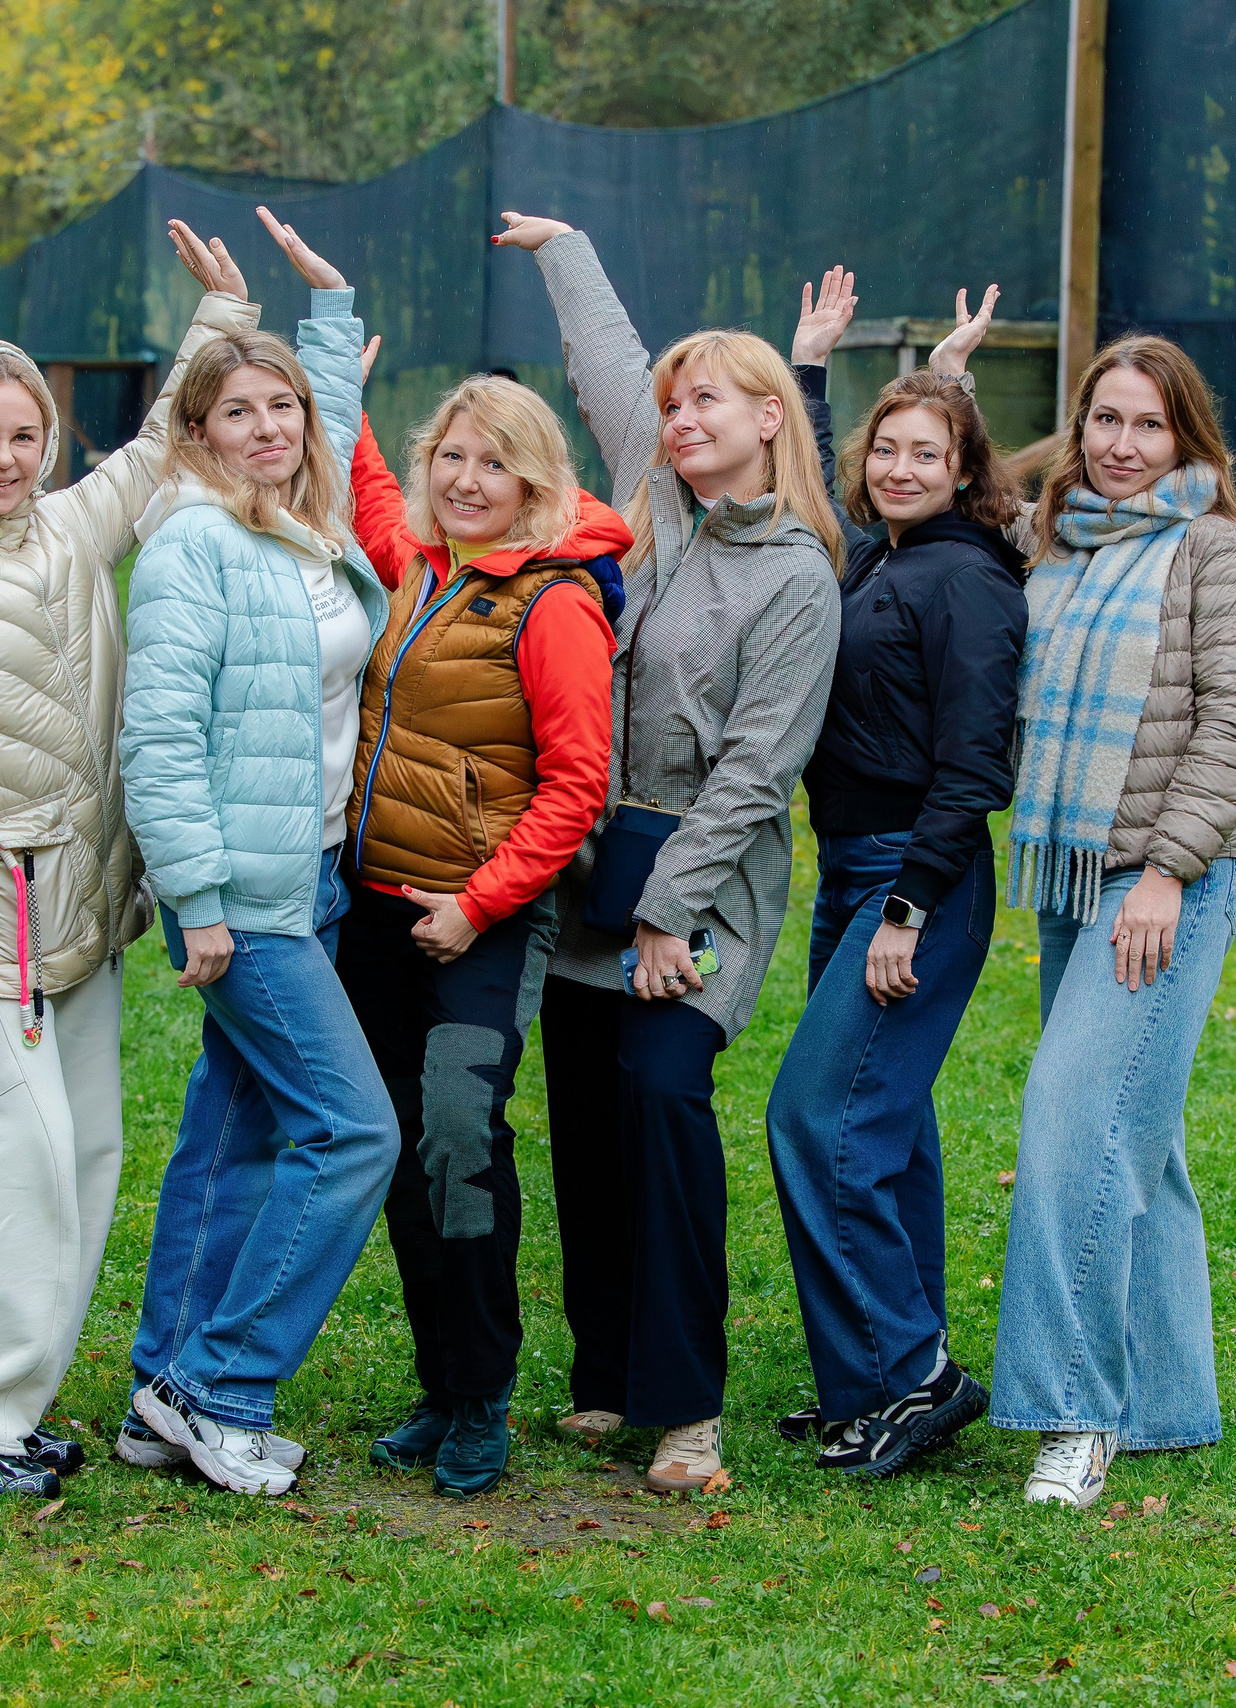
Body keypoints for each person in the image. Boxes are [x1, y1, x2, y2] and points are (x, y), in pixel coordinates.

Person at [0, 224, 263, 1500]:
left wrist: (220, 320)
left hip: (82, 902)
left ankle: (4, 1404)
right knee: (9, 1153)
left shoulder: (64, 535)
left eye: (25, 436)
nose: (5, 457)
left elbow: (150, 457)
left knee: (81, 1156)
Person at [493, 211, 842, 1494]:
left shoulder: (799, 575)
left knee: (660, 1098)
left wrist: (668, 914)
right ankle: (606, 1375)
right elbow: (600, 358)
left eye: (708, 401)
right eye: (674, 402)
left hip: (703, 884)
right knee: (584, 1113)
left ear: (769, 418)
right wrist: (566, 248)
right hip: (591, 862)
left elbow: (760, 771)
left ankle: (686, 1404)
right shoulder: (647, 493)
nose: (680, 417)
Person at [117, 215, 400, 1497]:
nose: (271, 427)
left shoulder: (301, 519)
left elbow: (327, 424)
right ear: (198, 435)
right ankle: (222, 1383)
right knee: (349, 1132)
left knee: (228, 1143)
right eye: (239, 412)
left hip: (318, 872)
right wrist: (200, 903)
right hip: (242, 895)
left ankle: (155, 1392)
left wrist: (326, 307)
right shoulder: (195, 543)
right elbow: (157, 736)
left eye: (281, 407)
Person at [977, 333, 1236, 1510]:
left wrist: (1165, 870)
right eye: (1103, 419)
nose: (1119, 444)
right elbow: (956, 486)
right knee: (1134, 1132)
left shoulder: (1216, 554)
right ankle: (1168, 1404)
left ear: (1186, 436)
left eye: (1147, 424)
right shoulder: (1055, 542)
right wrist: (953, 379)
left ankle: (1075, 1411)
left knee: (1071, 1120)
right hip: (1074, 866)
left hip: (1166, 881)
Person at [329, 323, 629, 1498]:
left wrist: (479, 903)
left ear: (536, 483)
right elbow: (361, 492)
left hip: (479, 926)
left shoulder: (552, 603)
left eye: (490, 465)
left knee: (459, 1145)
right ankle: (438, 1383)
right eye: (449, 456)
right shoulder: (416, 560)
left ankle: (484, 1395)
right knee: (398, 1149)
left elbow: (576, 784)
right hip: (374, 913)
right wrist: (335, 398)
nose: (464, 480)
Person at [760, 276, 1026, 1476]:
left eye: (929, 453)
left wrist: (907, 907)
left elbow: (977, 764)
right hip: (852, 869)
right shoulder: (882, 557)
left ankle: (909, 1373)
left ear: (965, 471)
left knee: (818, 1121)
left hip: (915, 881)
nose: (900, 468)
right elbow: (818, 506)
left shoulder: (965, 577)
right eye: (887, 452)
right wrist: (807, 373)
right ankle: (874, 1377)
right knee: (888, 1130)